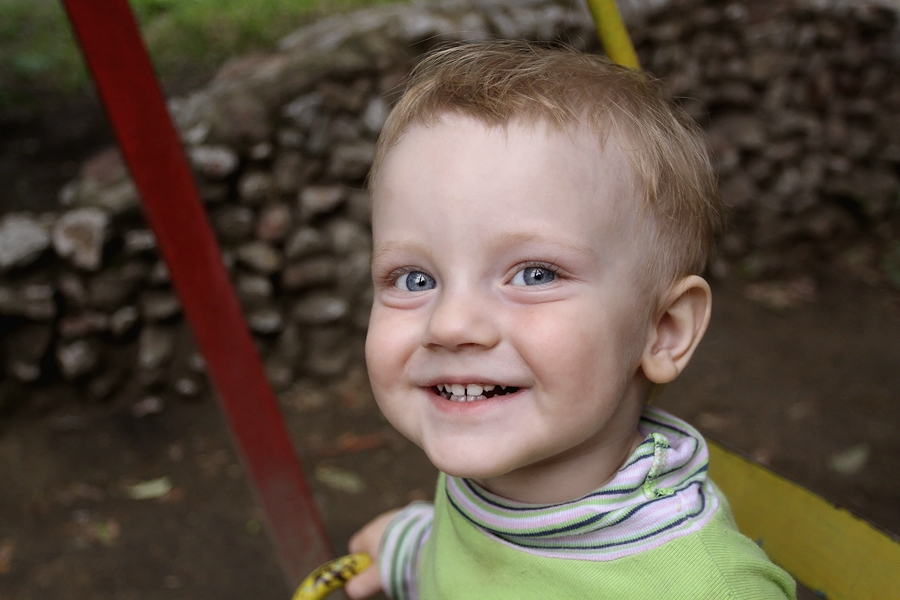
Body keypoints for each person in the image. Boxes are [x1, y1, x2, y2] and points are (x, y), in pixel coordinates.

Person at [344, 41, 796, 600]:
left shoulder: (706, 589)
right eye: (416, 279)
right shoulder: (492, 460)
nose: (450, 323)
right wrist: (409, 548)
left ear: (665, 330)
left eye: (534, 274)